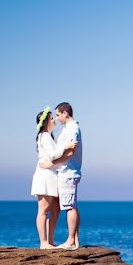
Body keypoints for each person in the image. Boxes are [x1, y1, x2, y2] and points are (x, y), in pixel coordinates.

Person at [39, 102, 82, 250]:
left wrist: (52, 164)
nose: (56, 118)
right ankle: (74, 240)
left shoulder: (71, 129)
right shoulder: (68, 129)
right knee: (71, 206)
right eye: (54, 116)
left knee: (70, 207)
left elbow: (70, 153)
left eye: (57, 115)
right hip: (67, 171)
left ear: (65, 113)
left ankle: (71, 241)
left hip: (68, 171)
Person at [32, 107, 76, 249]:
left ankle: (50, 241)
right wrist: (66, 146)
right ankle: (43, 242)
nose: (54, 119)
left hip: (52, 175)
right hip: (45, 176)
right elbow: (52, 155)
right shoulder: (44, 135)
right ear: (45, 123)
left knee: (55, 209)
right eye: (52, 118)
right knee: (43, 210)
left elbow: (52, 154)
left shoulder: (48, 136)